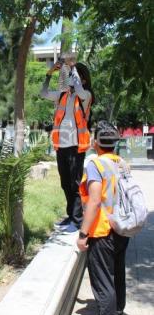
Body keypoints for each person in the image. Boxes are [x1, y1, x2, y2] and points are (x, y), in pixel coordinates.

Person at [76, 120, 129, 315]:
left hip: (102, 230)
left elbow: (95, 201)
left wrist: (83, 233)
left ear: (96, 142)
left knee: (103, 280)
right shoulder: (122, 163)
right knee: (117, 273)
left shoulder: (95, 165)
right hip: (121, 228)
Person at [40, 58, 94, 234]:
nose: (70, 78)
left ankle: (78, 220)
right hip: (61, 145)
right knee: (65, 183)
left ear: (82, 79)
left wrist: (72, 68)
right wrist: (49, 74)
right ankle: (71, 216)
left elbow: (78, 88)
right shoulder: (63, 95)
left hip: (76, 145)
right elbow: (44, 93)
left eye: (74, 75)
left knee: (75, 183)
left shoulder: (85, 95)